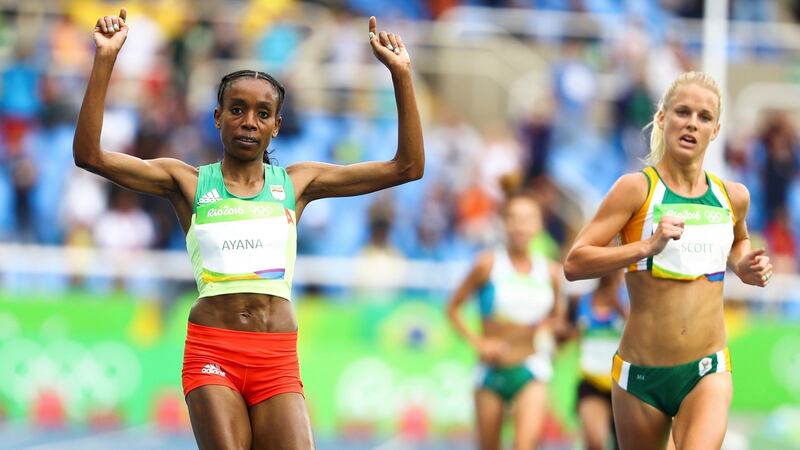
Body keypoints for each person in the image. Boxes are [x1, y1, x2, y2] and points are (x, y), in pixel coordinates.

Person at [73, 9, 423, 450]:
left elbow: (408, 167)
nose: (249, 121)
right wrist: (105, 59)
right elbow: (90, 155)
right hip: (213, 352)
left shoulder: (297, 184)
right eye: (237, 110)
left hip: (277, 358)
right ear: (217, 117)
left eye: (263, 113)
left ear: (276, 126)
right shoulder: (187, 183)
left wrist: (402, 75)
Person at [563, 71, 772, 450]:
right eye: (683, 112)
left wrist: (744, 266)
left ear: (716, 130)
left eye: (704, 117)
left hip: (706, 369)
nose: (692, 122)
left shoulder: (733, 196)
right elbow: (575, 263)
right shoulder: (636, 189)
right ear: (663, 118)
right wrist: (645, 247)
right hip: (641, 375)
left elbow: (738, 244)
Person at [446, 192, 564, 450]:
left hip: (532, 368)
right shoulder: (487, 264)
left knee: (524, 445)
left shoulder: (551, 271)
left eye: (528, 219)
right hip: (491, 371)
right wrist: (478, 343)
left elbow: (558, 317)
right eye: (514, 218)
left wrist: (549, 328)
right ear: (504, 223)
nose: (520, 225)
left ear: (539, 225)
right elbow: (453, 308)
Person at [568, 268, 626, 450]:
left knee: (624, 445)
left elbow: (643, 332)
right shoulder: (581, 300)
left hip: (624, 384)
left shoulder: (629, 298)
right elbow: (568, 332)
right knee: (595, 440)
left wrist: (620, 308)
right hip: (592, 380)